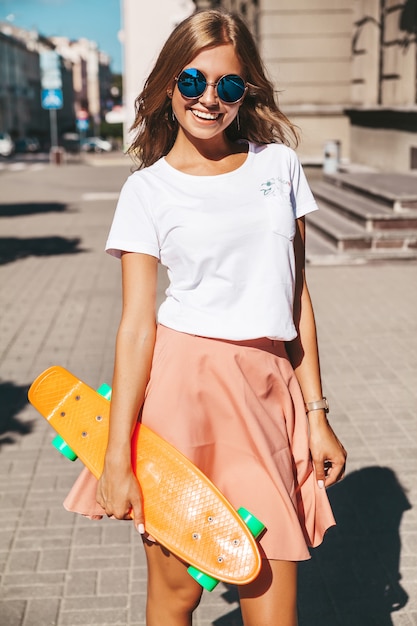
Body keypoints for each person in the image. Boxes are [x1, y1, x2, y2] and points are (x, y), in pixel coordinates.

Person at [64, 9, 347, 626]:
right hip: (181, 396)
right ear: (170, 85)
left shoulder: (279, 167)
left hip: (268, 392)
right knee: (177, 595)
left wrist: (319, 414)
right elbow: (137, 326)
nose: (208, 98)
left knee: (273, 597)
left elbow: (298, 297)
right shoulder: (148, 191)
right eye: (192, 82)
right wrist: (117, 455)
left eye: (227, 84)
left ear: (247, 92)